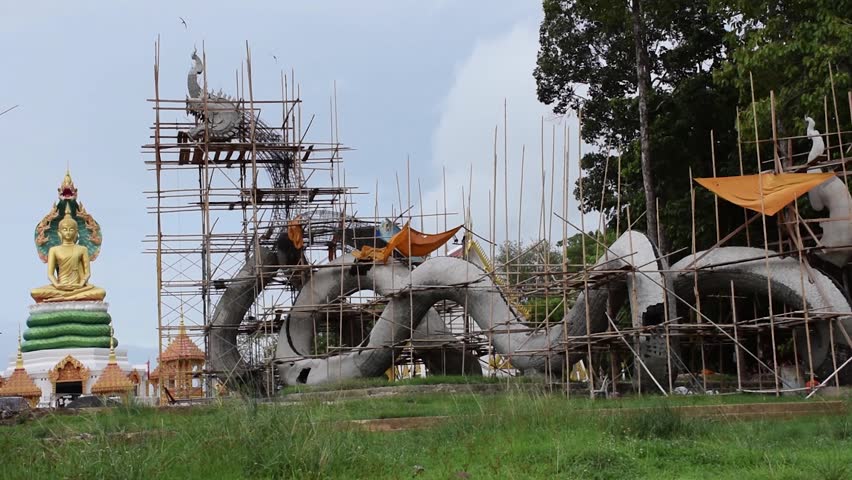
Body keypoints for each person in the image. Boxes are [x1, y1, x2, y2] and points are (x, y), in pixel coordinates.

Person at [30, 205, 106, 303]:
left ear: (76, 232)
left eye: (71, 229)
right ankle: (69, 297)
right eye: (65, 229)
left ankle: (63, 298)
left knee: (100, 292)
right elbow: (50, 274)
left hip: (78, 287)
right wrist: (57, 285)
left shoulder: (82, 249)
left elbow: (87, 273)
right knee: (35, 292)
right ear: (59, 232)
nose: (68, 232)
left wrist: (81, 284)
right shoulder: (54, 250)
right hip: (60, 287)